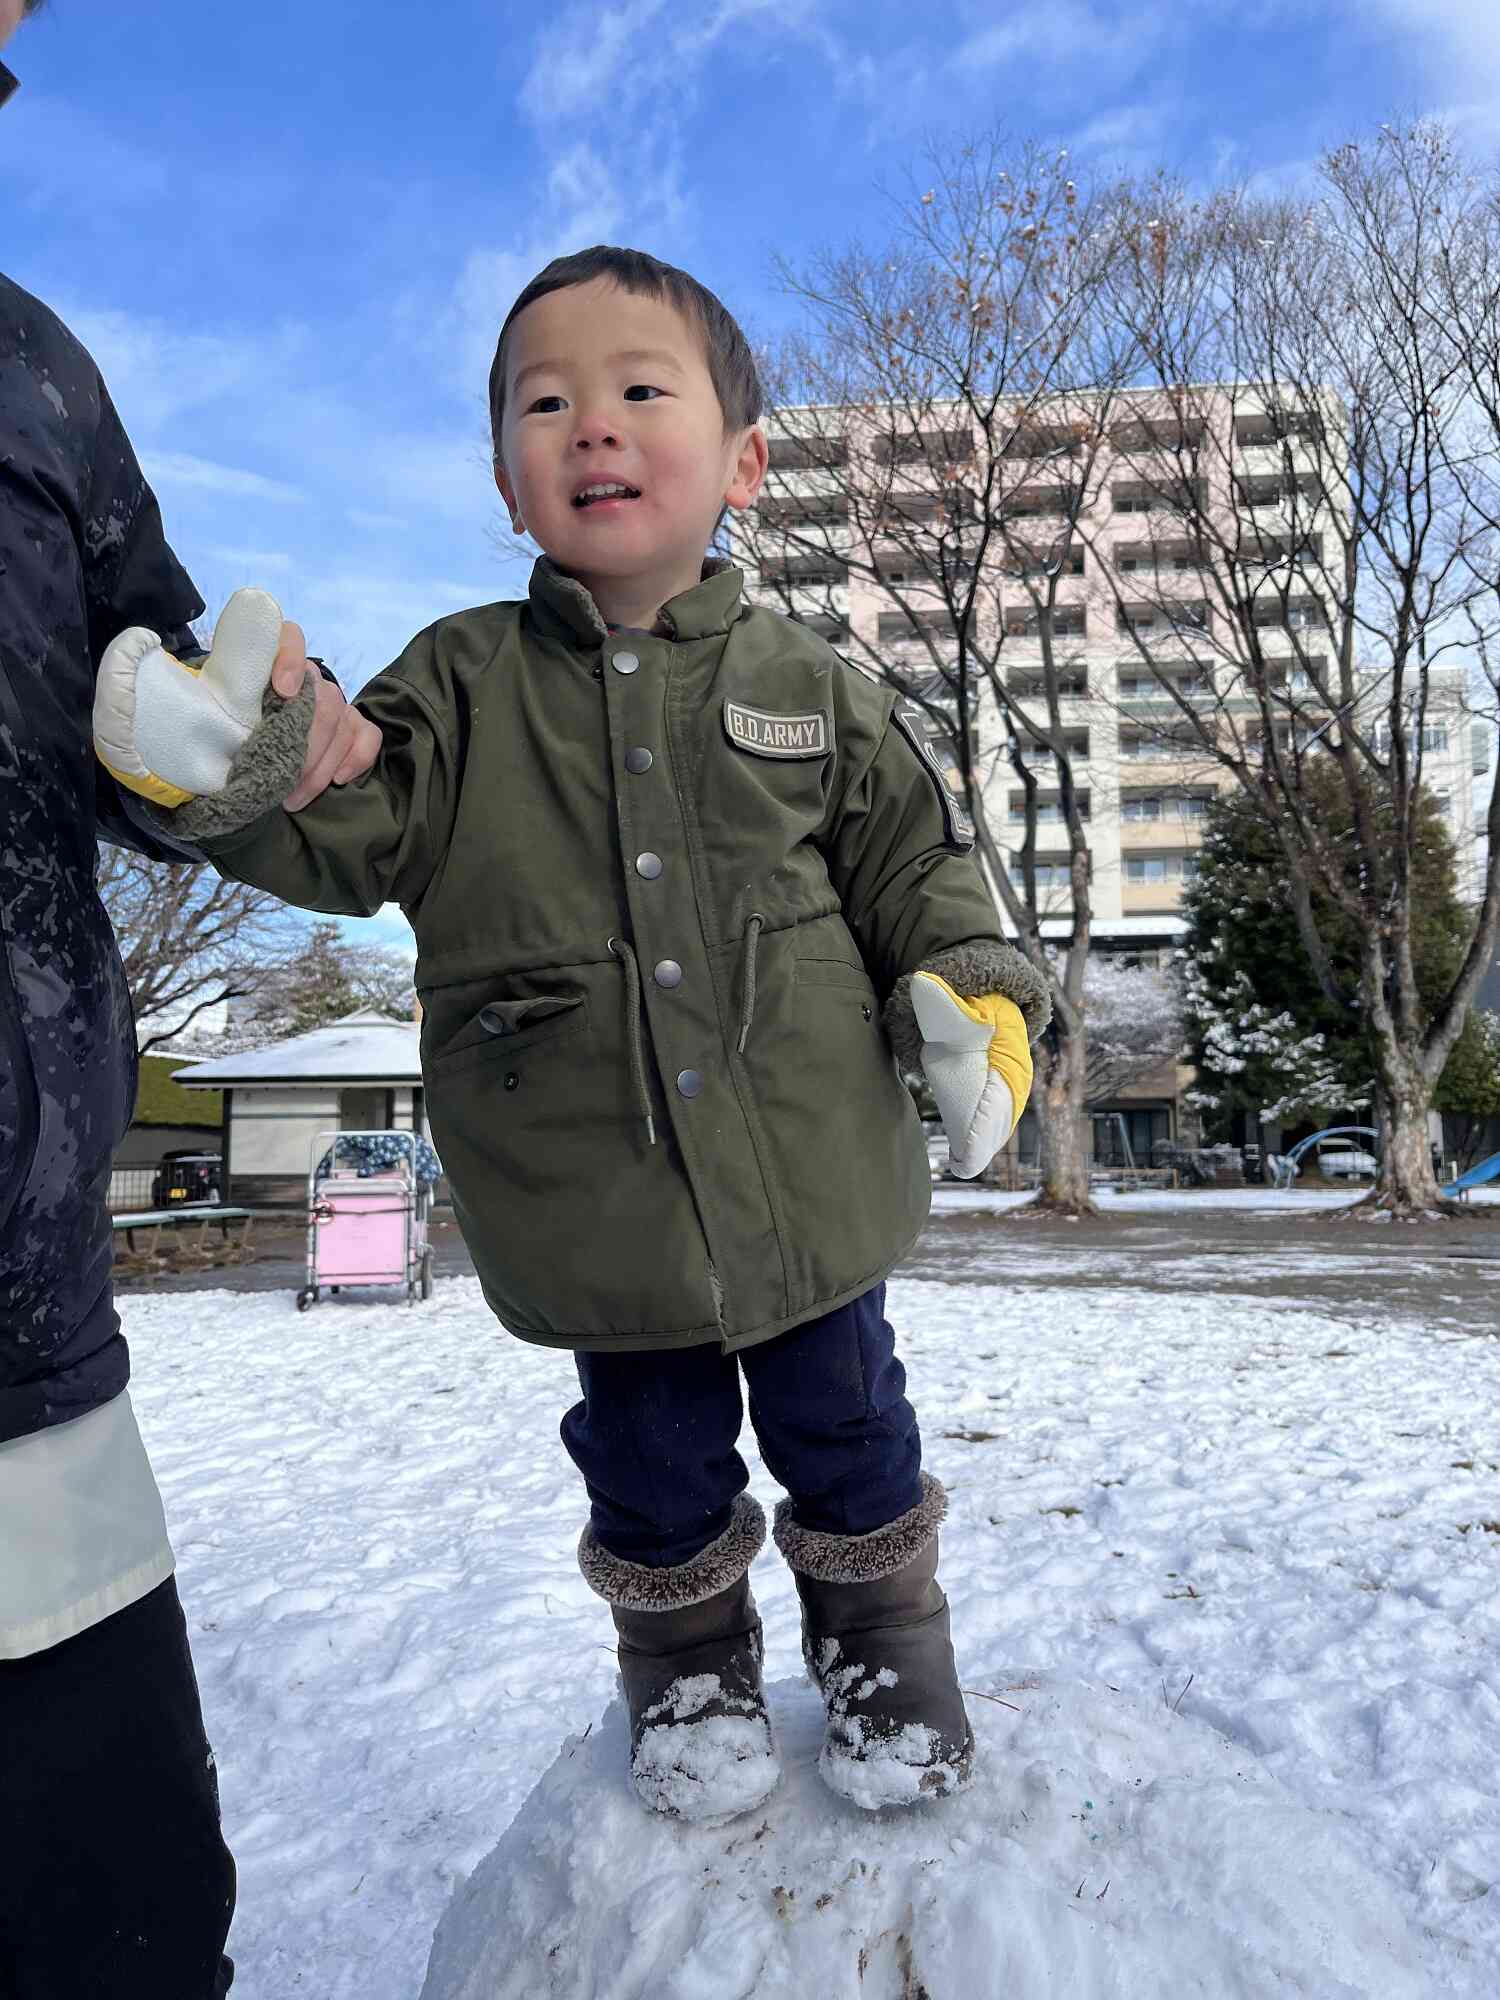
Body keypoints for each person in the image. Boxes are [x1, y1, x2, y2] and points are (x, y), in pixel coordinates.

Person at [95, 245, 1049, 1824]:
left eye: (638, 390)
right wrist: (243, 766)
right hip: (590, 1199)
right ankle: (684, 1668)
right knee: (650, 1462)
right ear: (505, 479)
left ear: (744, 458)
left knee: (852, 1425)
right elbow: (350, 825)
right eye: (548, 402)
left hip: (809, 1180)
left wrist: (977, 1002)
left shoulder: (814, 685)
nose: (592, 425)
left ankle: (887, 1642)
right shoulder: (457, 690)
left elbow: (920, 866)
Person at [0, 4, 381, 1988]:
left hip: (36, 1405)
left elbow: (142, 725)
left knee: (131, 1936)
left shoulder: (42, 382)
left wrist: (235, 745)